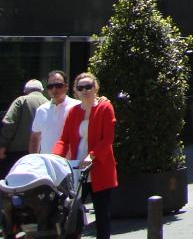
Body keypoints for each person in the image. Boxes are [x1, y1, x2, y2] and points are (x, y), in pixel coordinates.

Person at [54, 73, 117, 239]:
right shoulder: (73, 112)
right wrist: (55, 158)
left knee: (102, 216)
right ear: (76, 92)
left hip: (100, 168)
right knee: (72, 214)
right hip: (77, 169)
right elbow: (64, 140)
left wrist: (92, 156)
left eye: (88, 87)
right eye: (80, 88)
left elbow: (107, 139)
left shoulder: (105, 108)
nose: (85, 91)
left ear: (95, 88)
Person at [1, 80, 48, 176]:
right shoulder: (49, 103)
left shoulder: (21, 100)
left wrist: (2, 145)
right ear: (42, 91)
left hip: (16, 154)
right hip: (41, 154)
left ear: (26, 91)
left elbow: (9, 124)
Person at [29, 71, 79, 156]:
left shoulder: (77, 106)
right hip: (46, 161)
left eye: (58, 85)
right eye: (50, 86)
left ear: (66, 87)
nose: (54, 89)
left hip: (70, 162)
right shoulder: (41, 110)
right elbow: (35, 137)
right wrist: (34, 159)